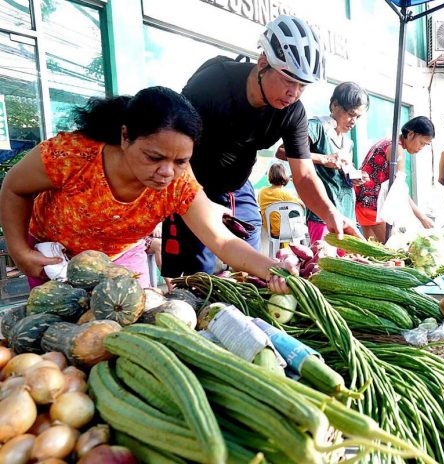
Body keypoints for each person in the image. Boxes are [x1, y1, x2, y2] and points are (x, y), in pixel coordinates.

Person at [0, 87, 293, 293]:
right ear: (126, 136)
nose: (167, 172)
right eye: (154, 157)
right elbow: (14, 188)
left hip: (120, 257)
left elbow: (222, 241)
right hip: (53, 257)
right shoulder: (73, 154)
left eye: (181, 160)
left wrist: (273, 270)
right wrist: (19, 250)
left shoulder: (179, 183)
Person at [161, 14, 359, 278]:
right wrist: (202, 204)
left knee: (254, 275)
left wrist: (331, 214)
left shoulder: (293, 112)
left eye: (303, 85)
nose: (295, 93)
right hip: (192, 183)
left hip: (238, 187)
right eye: (289, 80)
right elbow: (175, 151)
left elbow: (304, 174)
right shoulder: (212, 86)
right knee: (196, 280)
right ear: (263, 62)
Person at [279, 82, 369, 243]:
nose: (353, 121)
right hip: (323, 218)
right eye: (350, 114)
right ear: (334, 105)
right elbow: (282, 151)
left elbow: (339, 176)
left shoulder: (347, 142)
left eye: (358, 117)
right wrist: (323, 159)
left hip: (347, 216)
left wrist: (354, 178)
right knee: (324, 262)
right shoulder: (316, 127)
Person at [355, 116, 436, 243]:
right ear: (410, 134)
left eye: (425, 145)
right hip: (372, 206)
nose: (421, 148)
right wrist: (422, 217)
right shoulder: (396, 149)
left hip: (362, 202)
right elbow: (400, 190)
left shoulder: (387, 141)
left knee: (370, 251)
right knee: (390, 250)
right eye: (421, 143)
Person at [257, 162, 304, 238]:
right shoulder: (284, 194)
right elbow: (302, 206)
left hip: (270, 231)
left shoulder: (262, 192)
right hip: (287, 231)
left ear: (269, 176)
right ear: (285, 176)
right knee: (295, 212)